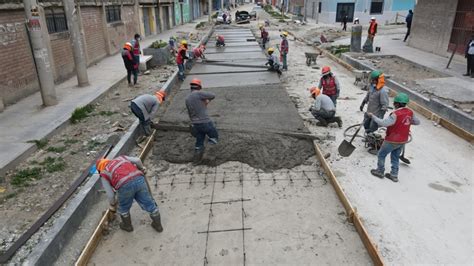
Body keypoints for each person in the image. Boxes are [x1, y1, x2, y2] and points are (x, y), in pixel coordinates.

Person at [96, 156, 163, 232]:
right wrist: (141, 168)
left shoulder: (103, 173)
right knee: (149, 203)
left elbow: (111, 195)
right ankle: (158, 226)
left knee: (123, 208)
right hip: (139, 178)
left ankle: (127, 226)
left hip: (124, 186)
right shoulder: (120, 158)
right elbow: (137, 160)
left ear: (99, 169)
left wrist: (113, 204)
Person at [368, 93, 420, 182]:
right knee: (395, 157)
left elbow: (383, 123)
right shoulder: (410, 112)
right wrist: (405, 124)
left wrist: (373, 116)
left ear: (396, 104)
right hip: (403, 140)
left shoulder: (395, 114)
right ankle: (394, 175)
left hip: (392, 140)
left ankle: (380, 171)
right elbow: (417, 122)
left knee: (381, 154)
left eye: (394, 103)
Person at [185, 79, 218, 161]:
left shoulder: (187, 98)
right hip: (205, 122)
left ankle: (196, 159)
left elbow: (190, 112)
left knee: (199, 140)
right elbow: (212, 95)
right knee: (214, 137)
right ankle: (207, 156)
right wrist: (206, 100)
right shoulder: (199, 94)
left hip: (195, 124)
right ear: (199, 87)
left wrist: (204, 103)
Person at [360, 70, 389, 135]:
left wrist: (379, 118)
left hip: (376, 115)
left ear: (378, 80)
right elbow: (367, 96)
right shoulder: (372, 87)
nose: (372, 81)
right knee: (366, 125)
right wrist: (363, 104)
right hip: (369, 112)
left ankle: (370, 140)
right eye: (372, 80)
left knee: (372, 128)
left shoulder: (382, 91)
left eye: (374, 80)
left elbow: (385, 106)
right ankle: (368, 136)